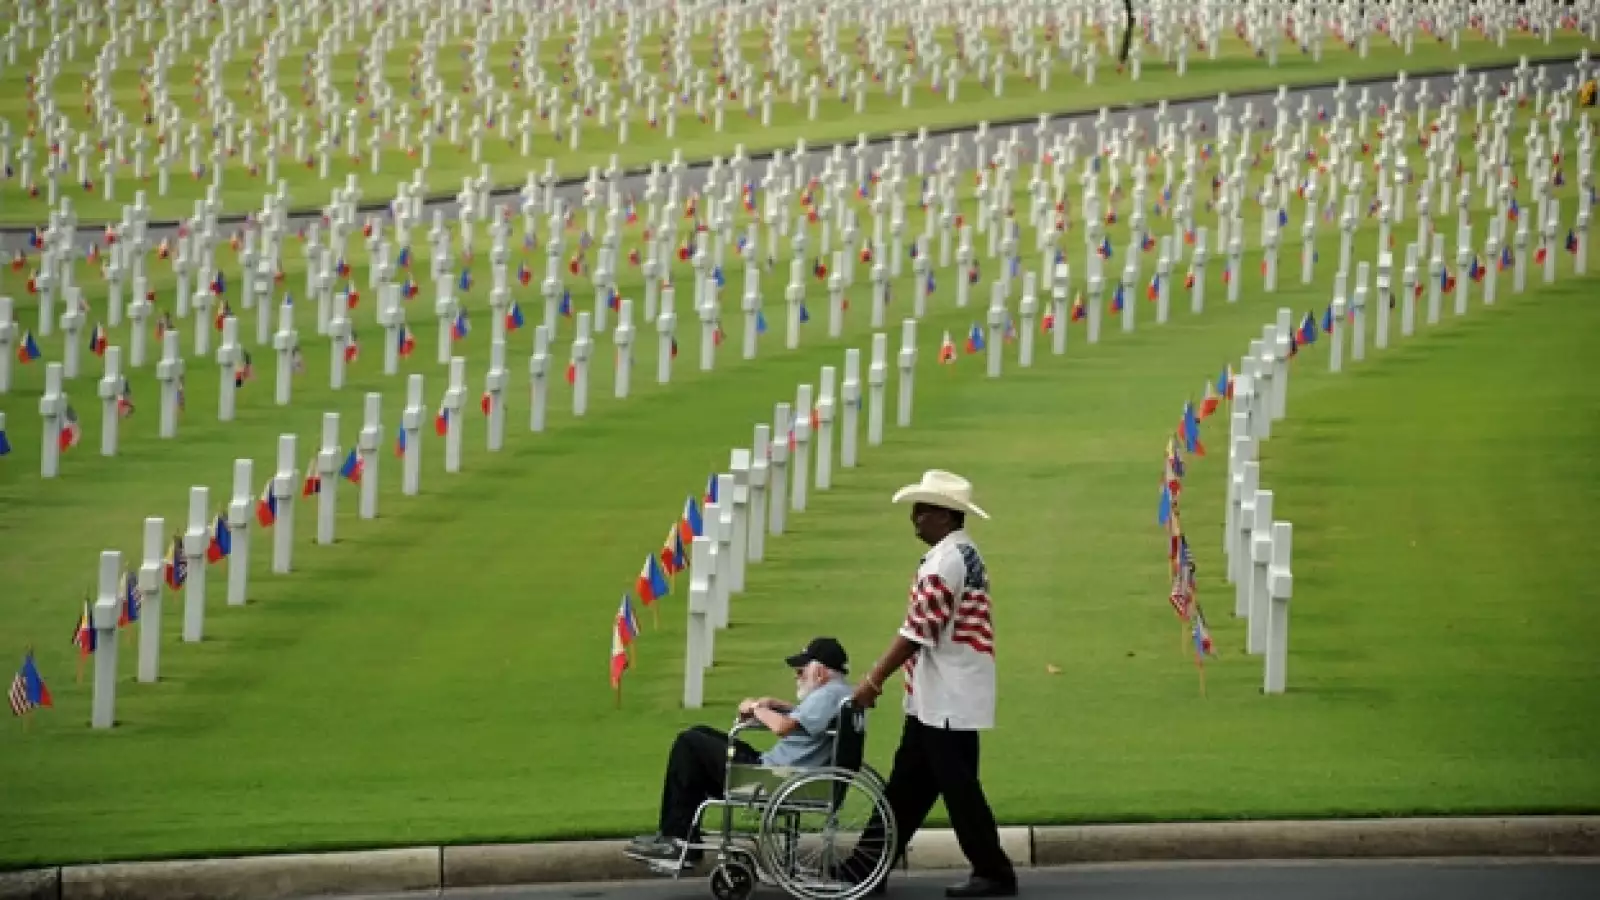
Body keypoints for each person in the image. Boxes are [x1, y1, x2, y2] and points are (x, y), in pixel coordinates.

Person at [841, 470, 1018, 898]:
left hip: (947, 697)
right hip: (940, 695)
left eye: (923, 509)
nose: (915, 517)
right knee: (907, 787)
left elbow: (917, 633)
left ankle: (994, 871)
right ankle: (866, 866)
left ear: (945, 515)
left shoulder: (945, 563)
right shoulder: (962, 553)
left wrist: (872, 681)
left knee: (959, 790)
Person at [628, 637, 854, 864]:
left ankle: (678, 839)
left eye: (801, 671)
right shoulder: (841, 693)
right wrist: (777, 705)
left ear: (820, 672)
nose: (797, 677)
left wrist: (756, 708)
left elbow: (783, 727)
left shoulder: (828, 695)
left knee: (689, 744)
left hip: (775, 778)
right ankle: (682, 836)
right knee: (699, 734)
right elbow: (807, 721)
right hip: (787, 773)